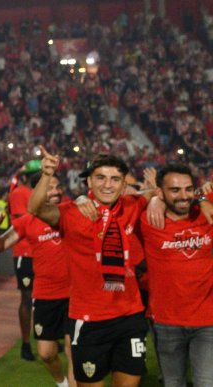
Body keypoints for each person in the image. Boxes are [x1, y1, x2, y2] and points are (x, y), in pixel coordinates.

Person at [29, 153, 151, 387]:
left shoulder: (132, 205)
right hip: (89, 320)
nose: (108, 184)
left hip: (130, 316)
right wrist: (46, 174)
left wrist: (198, 196)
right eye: (101, 178)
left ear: (124, 184)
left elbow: (159, 193)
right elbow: (35, 208)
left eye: (115, 179)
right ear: (89, 182)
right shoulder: (71, 212)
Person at [0, 172, 73, 387]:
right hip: (46, 295)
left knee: (74, 352)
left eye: (58, 186)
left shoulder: (71, 211)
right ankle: (61, 383)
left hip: (75, 295)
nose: (56, 191)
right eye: (50, 187)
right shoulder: (28, 221)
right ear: (37, 193)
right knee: (46, 353)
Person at [137, 163, 213, 386]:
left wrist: (201, 197)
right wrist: (151, 198)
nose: (183, 196)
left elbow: (204, 189)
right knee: (172, 383)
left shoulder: (206, 213)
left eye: (189, 189)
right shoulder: (148, 221)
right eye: (175, 190)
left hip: (207, 321)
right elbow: (122, 198)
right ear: (161, 192)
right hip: (166, 322)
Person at [7, 161, 40, 361]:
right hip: (25, 251)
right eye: (36, 174)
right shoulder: (20, 193)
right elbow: (22, 220)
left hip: (41, 251)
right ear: (27, 176)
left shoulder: (38, 192)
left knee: (44, 297)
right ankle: (26, 343)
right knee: (27, 297)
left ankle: (45, 334)